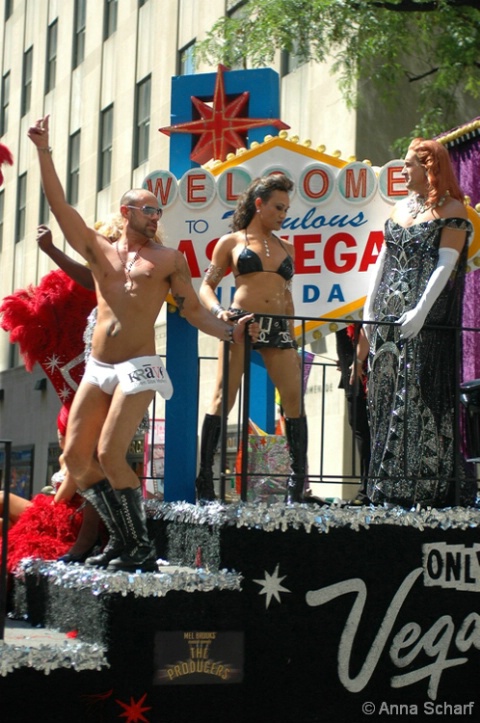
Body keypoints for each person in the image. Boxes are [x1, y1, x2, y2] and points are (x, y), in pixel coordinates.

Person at [27, 114, 257, 573]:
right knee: (76, 458)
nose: (155, 217)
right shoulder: (99, 250)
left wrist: (228, 331)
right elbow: (60, 208)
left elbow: (192, 310)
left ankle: (138, 547)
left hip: (139, 366)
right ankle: (126, 540)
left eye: (158, 212)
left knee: (111, 454)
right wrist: (43, 151)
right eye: (148, 210)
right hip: (99, 365)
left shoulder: (169, 259)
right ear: (126, 213)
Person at [363, 137, 477, 508]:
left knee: (416, 397)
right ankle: (382, 487)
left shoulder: (451, 210)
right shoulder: (399, 208)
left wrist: (421, 311)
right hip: (386, 318)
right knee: (381, 397)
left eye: (410, 163)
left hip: (424, 322)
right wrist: (368, 309)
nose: (403, 169)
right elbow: (383, 259)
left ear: (429, 168)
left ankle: (421, 488)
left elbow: (446, 264)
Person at [196, 173, 307, 504]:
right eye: (277, 207)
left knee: (294, 402)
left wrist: (293, 338)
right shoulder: (231, 243)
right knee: (221, 399)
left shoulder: (288, 247)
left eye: (286, 209)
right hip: (241, 323)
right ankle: (205, 481)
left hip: (279, 327)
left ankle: (296, 486)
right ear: (259, 204)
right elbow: (205, 287)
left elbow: (287, 297)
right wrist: (220, 314)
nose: (282, 214)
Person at [335, 325, 371, 505]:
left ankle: (367, 491)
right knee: (360, 431)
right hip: (354, 375)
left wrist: (357, 360)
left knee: (362, 432)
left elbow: (366, 328)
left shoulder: (352, 308)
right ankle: (367, 489)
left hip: (361, 377)